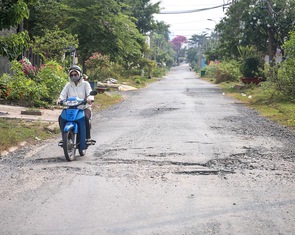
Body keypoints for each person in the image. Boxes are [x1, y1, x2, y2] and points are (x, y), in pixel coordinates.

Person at [56, 65, 94, 144]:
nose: (73, 76)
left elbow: (90, 93)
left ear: (80, 75)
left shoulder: (85, 84)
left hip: (84, 108)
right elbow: (63, 94)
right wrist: (60, 99)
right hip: (71, 108)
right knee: (61, 118)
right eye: (72, 75)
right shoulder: (68, 85)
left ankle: (87, 138)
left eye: (75, 74)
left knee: (86, 118)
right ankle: (65, 138)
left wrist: (89, 98)